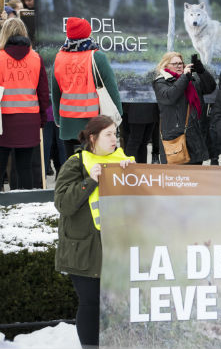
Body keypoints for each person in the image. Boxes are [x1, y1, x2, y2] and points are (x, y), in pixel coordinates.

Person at [54, 116, 135, 348]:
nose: (114, 139)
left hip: (116, 247)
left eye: (116, 134)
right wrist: (90, 181)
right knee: (91, 304)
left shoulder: (125, 162)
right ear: (93, 138)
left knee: (116, 303)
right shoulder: (75, 163)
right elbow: (63, 204)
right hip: (84, 250)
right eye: (108, 134)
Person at [52, 17, 123, 158]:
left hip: (67, 121)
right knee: (95, 165)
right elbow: (111, 88)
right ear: (87, 33)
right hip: (93, 122)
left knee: (73, 165)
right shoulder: (97, 57)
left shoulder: (59, 57)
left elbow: (55, 92)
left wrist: (58, 120)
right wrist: (118, 114)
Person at [0, 19, 49, 189]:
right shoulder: (36, 57)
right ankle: (25, 206)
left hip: (3, 121)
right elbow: (43, 93)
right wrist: (42, 118)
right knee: (25, 168)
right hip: (29, 119)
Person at [153, 52, 216, 164]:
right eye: (175, 64)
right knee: (176, 179)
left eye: (180, 63)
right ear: (166, 66)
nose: (179, 66)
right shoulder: (161, 82)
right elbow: (170, 97)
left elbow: (210, 87)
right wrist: (184, 77)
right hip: (175, 139)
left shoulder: (191, 79)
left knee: (195, 179)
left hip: (195, 137)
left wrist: (201, 71)